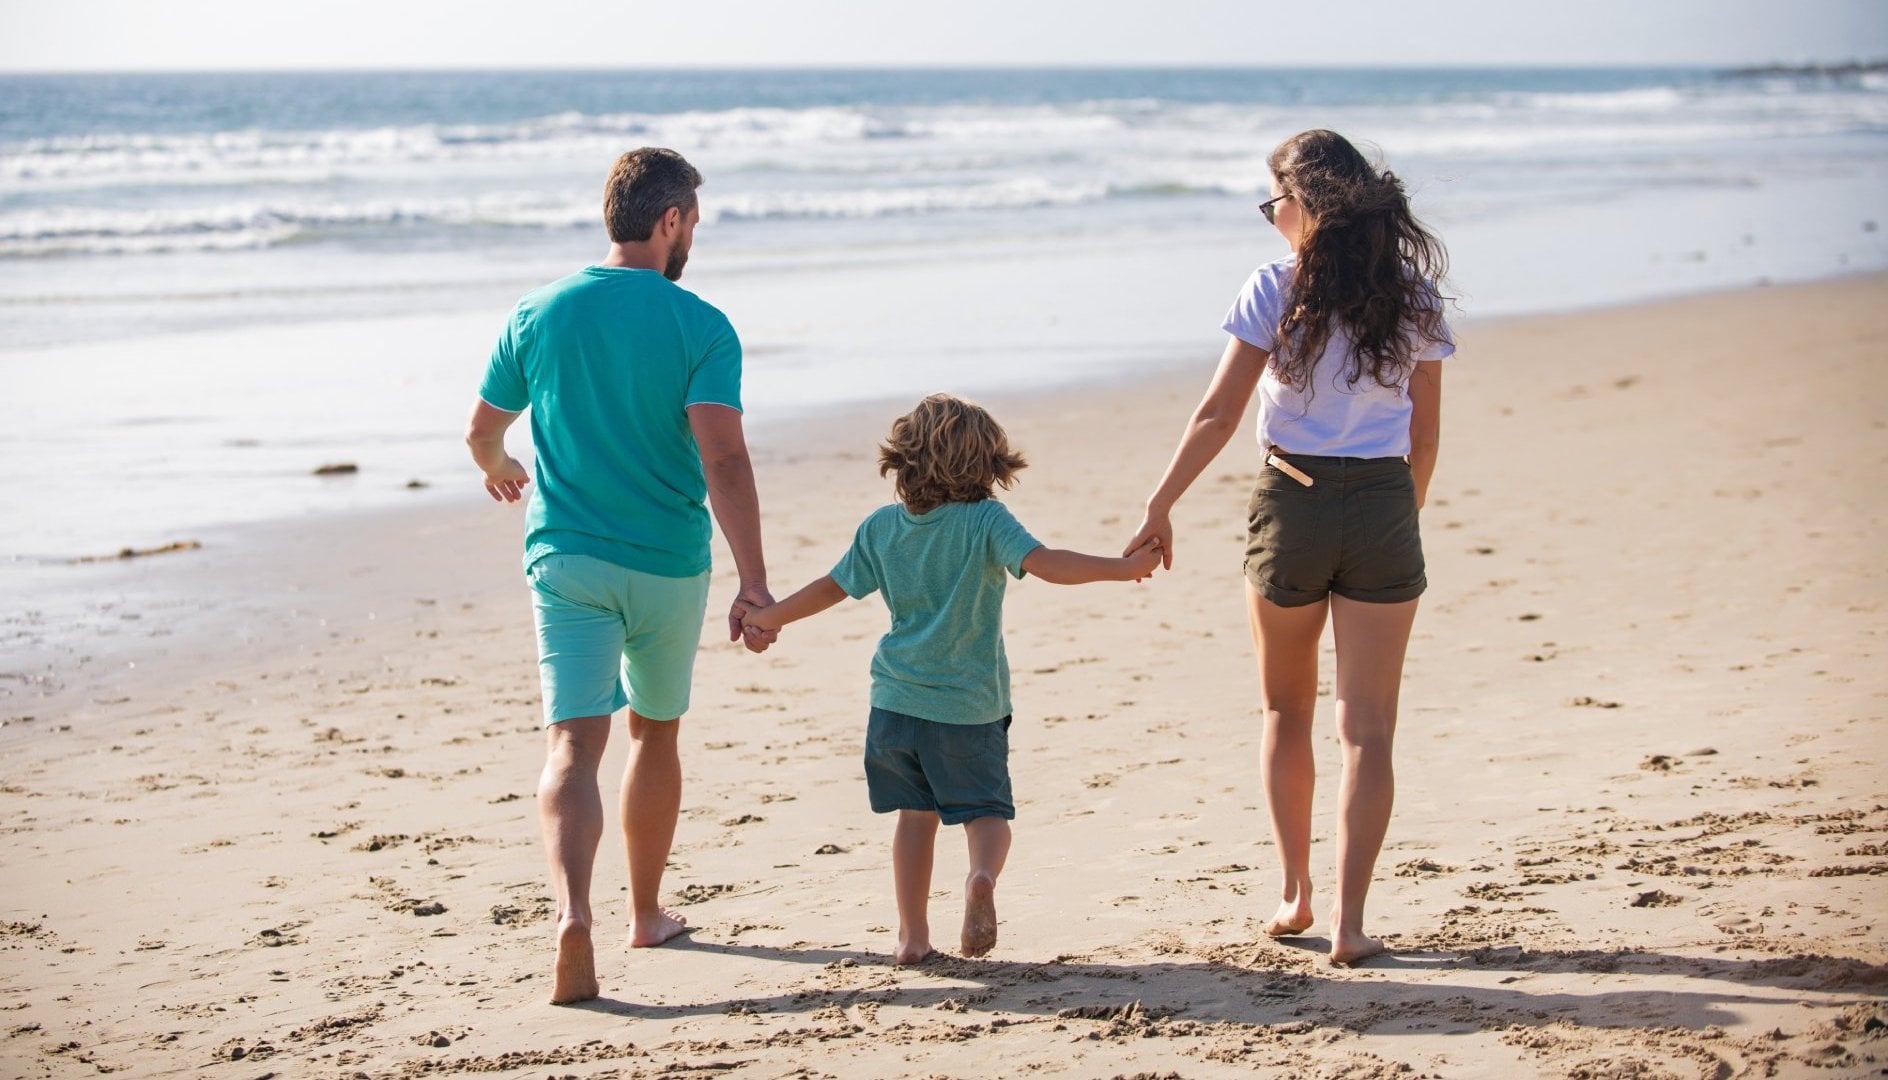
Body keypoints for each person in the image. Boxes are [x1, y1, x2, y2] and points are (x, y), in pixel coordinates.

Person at [1125, 129, 1453, 965]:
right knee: (1369, 726)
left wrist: (1160, 503)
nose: (1272, 217)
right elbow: (1425, 438)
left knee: (1286, 710)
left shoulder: (1275, 287)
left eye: (1275, 201)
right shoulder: (1412, 295)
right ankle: (1350, 923)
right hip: (1382, 500)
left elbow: (1217, 415)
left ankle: (1295, 893)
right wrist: (1394, 517)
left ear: (1304, 204)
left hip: (1292, 498)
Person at [465, 146, 775, 1005]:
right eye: (693, 225)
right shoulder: (699, 323)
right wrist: (755, 585)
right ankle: (644, 911)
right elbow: (726, 458)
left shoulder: (539, 311)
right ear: (669, 221)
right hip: (668, 566)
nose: (692, 242)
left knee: (572, 743)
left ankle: (574, 916)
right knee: (656, 732)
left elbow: (481, 430)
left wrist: (499, 465)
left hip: (565, 559)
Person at [741, 394, 1161, 965]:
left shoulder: (882, 527)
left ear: (902, 460)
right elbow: (1048, 564)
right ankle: (981, 877)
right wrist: (1122, 568)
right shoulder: (985, 521)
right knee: (987, 813)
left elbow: (830, 588)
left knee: (915, 820)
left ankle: (912, 937)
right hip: (968, 707)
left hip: (894, 705)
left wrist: (768, 616)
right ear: (989, 465)